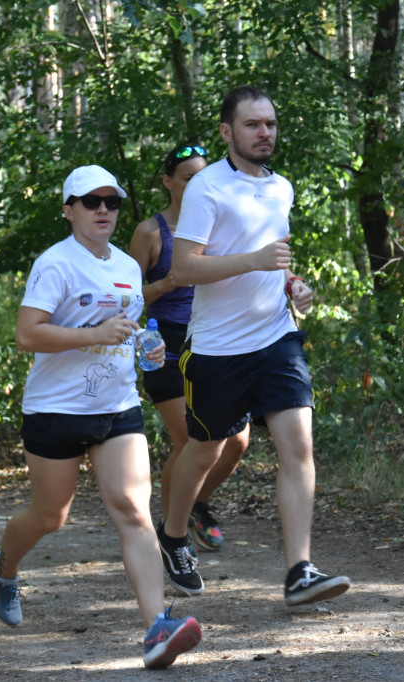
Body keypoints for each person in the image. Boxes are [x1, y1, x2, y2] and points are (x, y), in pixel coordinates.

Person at [0, 165, 201, 670]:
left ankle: (156, 627)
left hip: (116, 408)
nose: (103, 209)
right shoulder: (55, 263)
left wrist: (150, 348)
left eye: (112, 202)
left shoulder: (125, 265)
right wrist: (94, 335)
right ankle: (3, 569)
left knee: (133, 509)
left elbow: (130, 328)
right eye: (90, 201)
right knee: (49, 516)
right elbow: (27, 334)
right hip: (55, 409)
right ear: (68, 209)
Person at [161, 85, 351, 606]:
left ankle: (300, 572)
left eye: (270, 123)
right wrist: (255, 261)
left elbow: (277, 259)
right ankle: (173, 536)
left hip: (277, 338)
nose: (264, 132)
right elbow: (183, 269)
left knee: (298, 447)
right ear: (227, 132)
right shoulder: (207, 189)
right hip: (219, 349)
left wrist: (294, 285)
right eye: (252, 125)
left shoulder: (281, 187)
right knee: (204, 449)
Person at [128, 145, 250, 554]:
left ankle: (194, 505)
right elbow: (124, 297)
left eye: (204, 177)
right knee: (190, 440)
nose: (198, 185)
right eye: (187, 178)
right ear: (168, 183)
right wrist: (168, 282)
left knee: (237, 441)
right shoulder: (150, 232)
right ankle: (171, 535)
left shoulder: (220, 227)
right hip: (166, 342)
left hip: (215, 339)